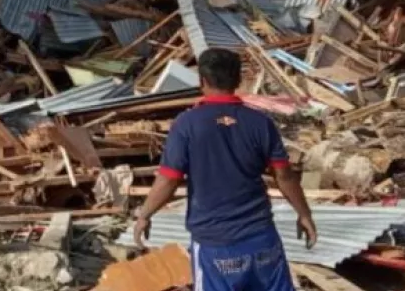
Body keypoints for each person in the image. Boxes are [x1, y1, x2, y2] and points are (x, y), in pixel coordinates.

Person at [133, 48, 316, 291]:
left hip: (215, 245)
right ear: (238, 80)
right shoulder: (260, 123)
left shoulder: (186, 125)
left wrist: (144, 215)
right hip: (262, 239)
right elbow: (284, 175)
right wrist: (304, 214)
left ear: (202, 81)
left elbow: (168, 180)